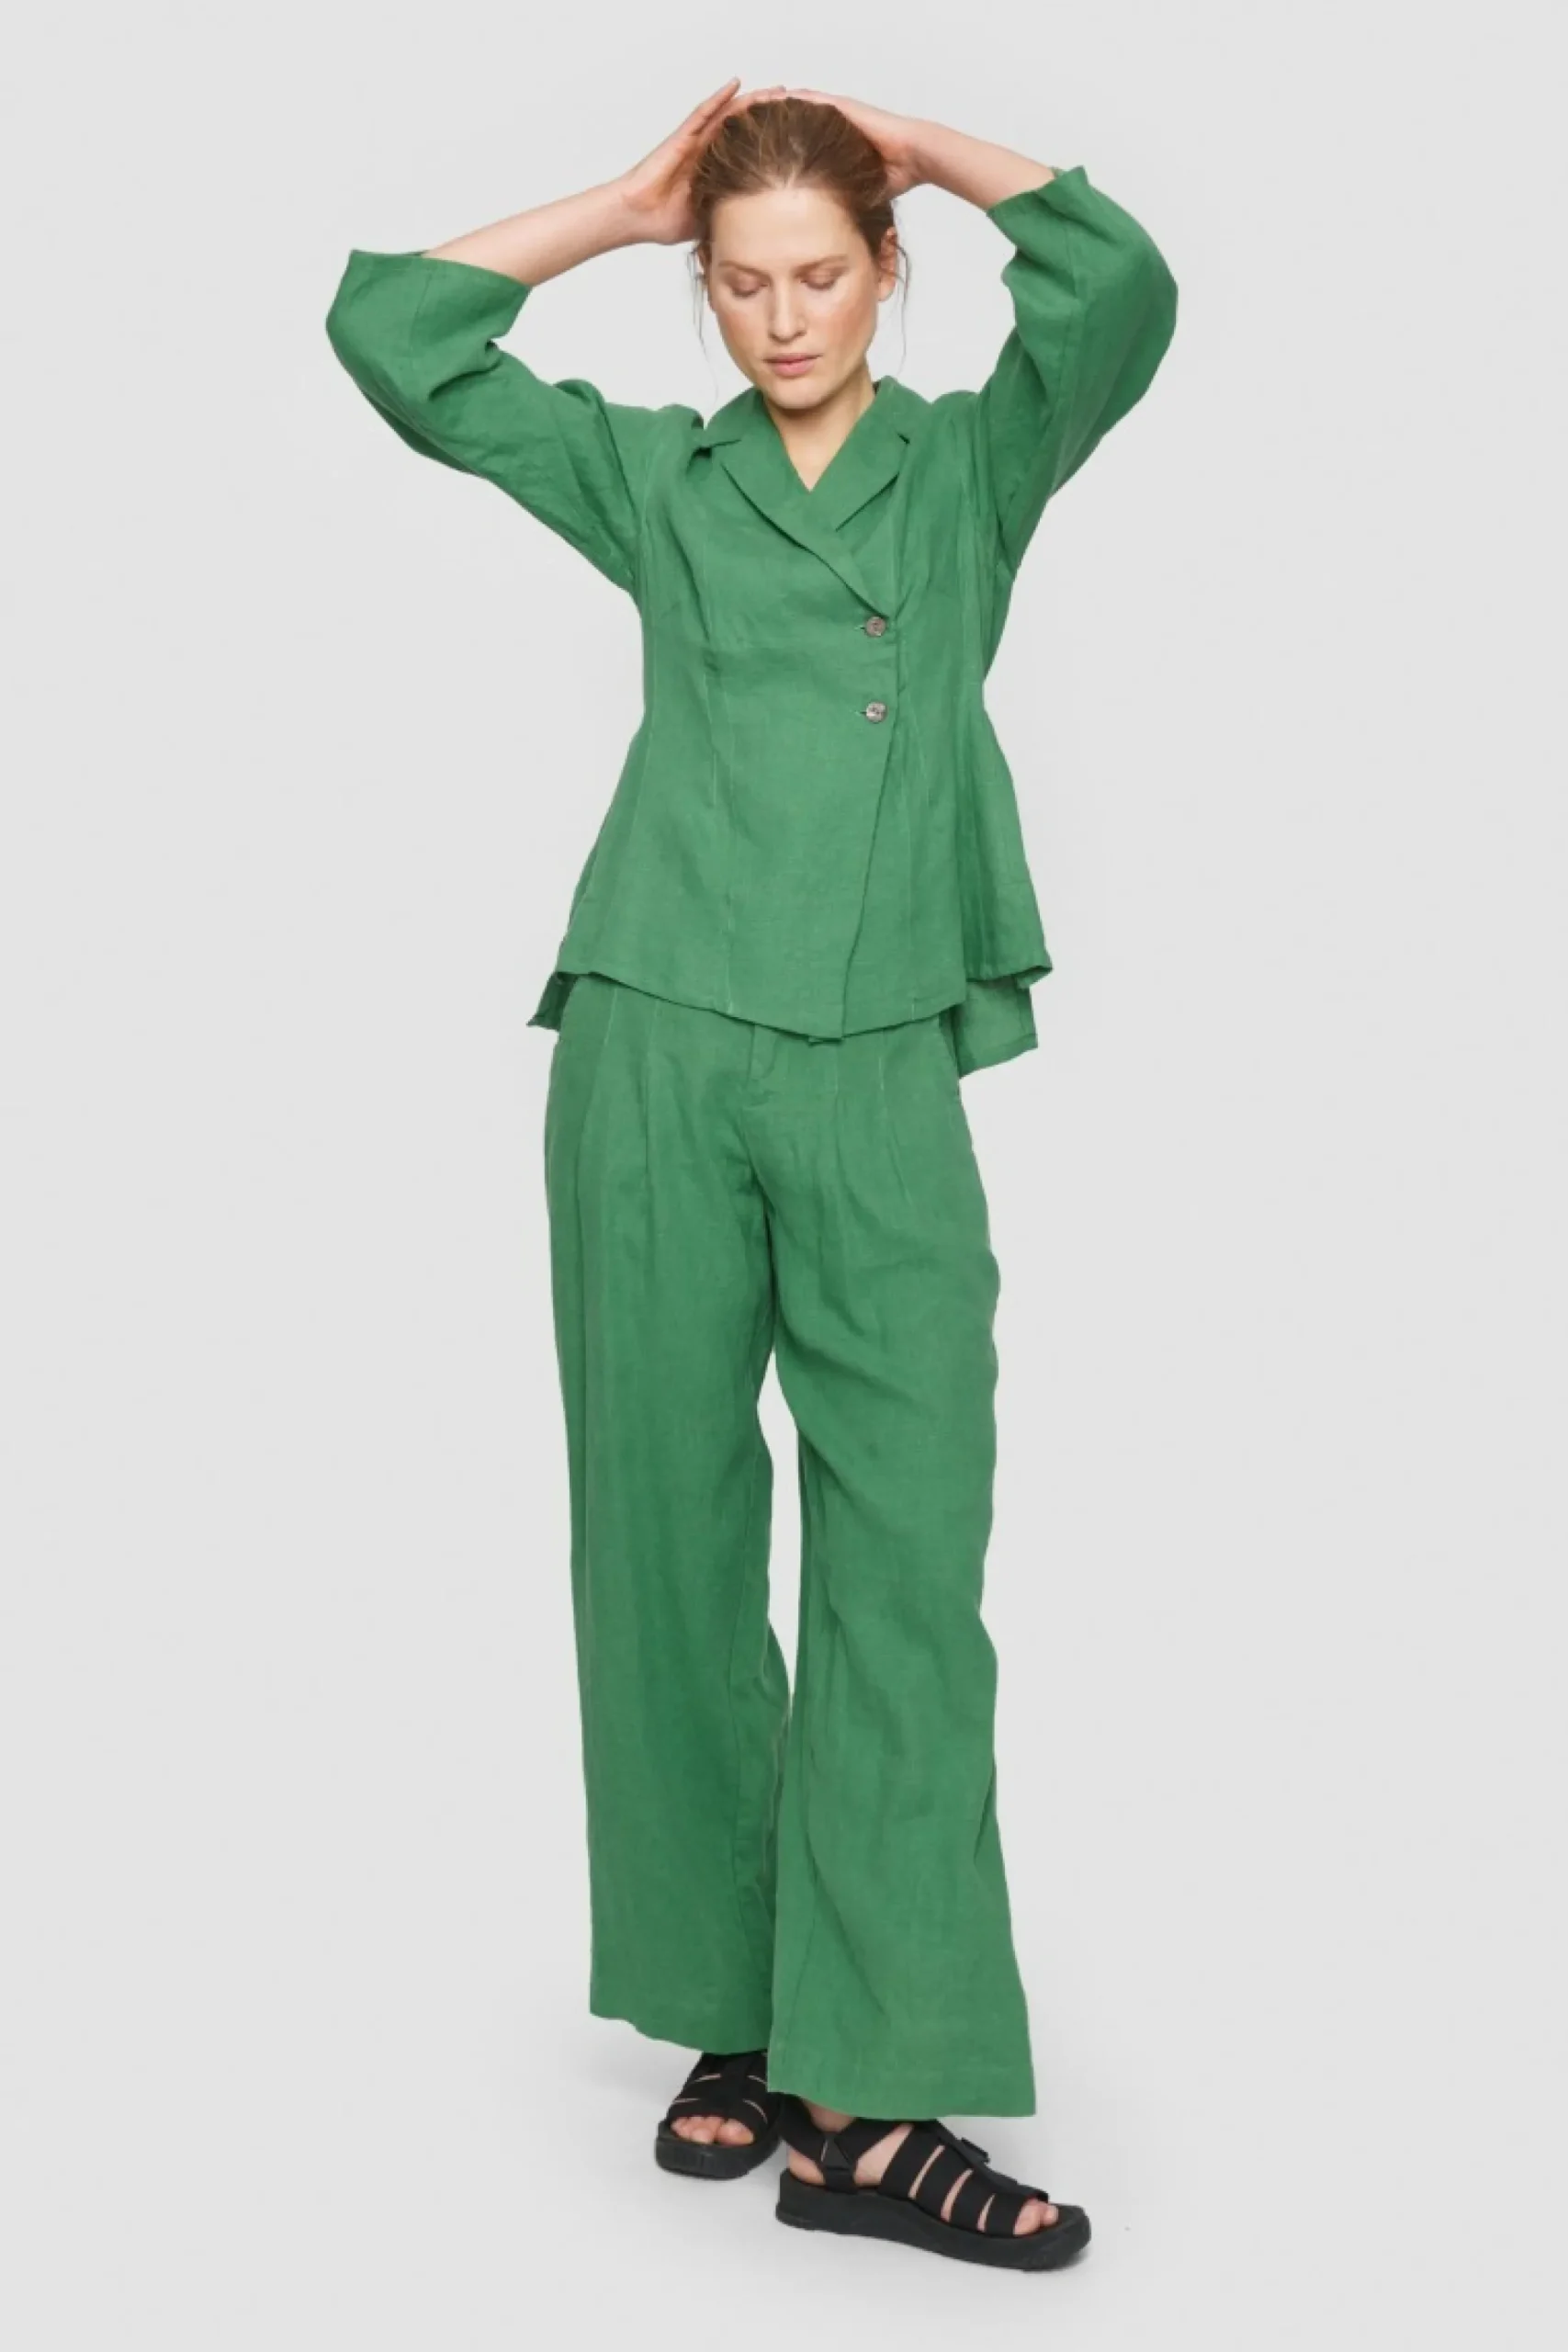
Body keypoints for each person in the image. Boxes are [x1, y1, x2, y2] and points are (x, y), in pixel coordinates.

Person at [325, 79, 1177, 2273]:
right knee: (664, 1541)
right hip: (655, 1042)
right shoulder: (658, 479)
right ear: (703, 293)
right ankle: (743, 2008)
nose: (782, 318)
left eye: (819, 274)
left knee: (905, 1560)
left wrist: (926, 143)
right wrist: (623, 206)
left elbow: (1120, 286)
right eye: (740, 282)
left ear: (885, 273)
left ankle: (868, 2100)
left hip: (878, 1058)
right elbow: (394, 337)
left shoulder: (971, 467)